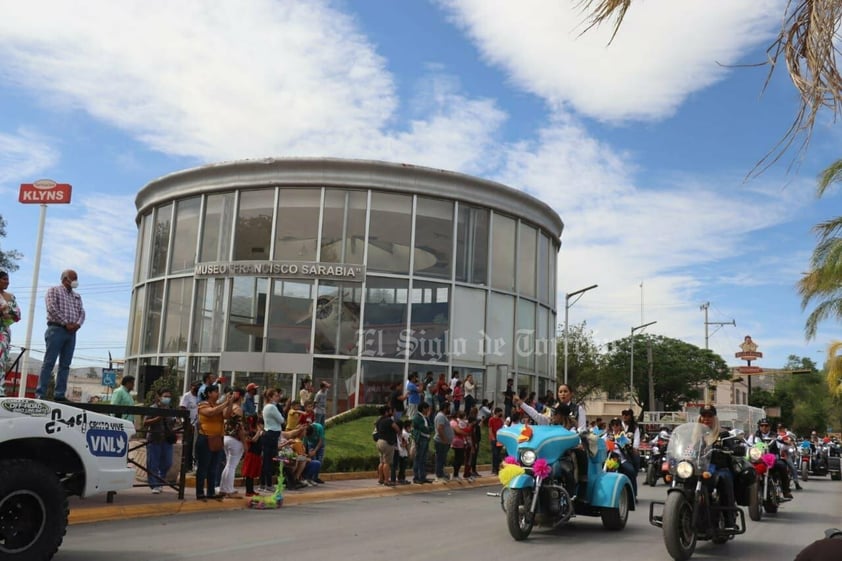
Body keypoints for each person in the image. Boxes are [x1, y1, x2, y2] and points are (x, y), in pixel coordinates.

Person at [35, 269, 85, 401]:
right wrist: (65, 323)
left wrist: (77, 325)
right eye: (73, 279)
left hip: (72, 333)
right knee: (49, 362)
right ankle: (41, 393)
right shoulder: (54, 290)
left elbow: (82, 312)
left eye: (76, 279)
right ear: (64, 279)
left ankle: (59, 394)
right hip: (56, 329)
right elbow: (51, 308)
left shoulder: (77, 296)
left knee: (65, 365)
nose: (75, 282)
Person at [697, 405, 738, 529]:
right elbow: (687, 448)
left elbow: (731, 448)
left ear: (715, 418)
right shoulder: (695, 434)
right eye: (704, 416)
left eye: (709, 416)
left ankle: (729, 519)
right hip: (699, 467)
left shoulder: (723, 433)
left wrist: (728, 449)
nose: (706, 419)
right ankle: (670, 512)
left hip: (719, 467)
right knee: (680, 478)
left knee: (724, 479)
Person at [195, 384, 233, 500]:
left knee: (213, 467)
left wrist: (230, 403)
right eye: (215, 392)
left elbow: (227, 415)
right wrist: (225, 403)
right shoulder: (203, 405)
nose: (217, 394)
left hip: (217, 439)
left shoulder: (218, 405)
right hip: (206, 438)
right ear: (209, 393)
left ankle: (210, 492)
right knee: (203, 467)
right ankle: (200, 492)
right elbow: (210, 412)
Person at [749, 418, 793, 498]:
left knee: (782, 466)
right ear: (759, 426)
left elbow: (783, 441)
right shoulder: (754, 436)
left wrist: (787, 441)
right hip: (758, 459)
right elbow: (747, 445)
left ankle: (786, 491)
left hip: (772, 459)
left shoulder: (775, 435)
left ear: (769, 427)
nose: (764, 427)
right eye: (762, 425)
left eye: (766, 425)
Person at [143, 388, 176, 494]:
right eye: (165, 396)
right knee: (153, 463)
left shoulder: (170, 409)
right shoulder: (153, 408)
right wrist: (158, 418)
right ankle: (154, 485)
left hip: (167, 439)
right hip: (155, 438)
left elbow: (173, 423)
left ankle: (160, 481)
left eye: (169, 397)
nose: (167, 398)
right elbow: (145, 422)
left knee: (167, 462)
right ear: (159, 397)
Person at [219, 388, 246, 498]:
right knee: (232, 466)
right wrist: (245, 443)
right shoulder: (238, 409)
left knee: (228, 466)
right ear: (242, 398)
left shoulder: (228, 408)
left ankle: (223, 488)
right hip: (235, 440)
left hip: (226, 438)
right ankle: (229, 490)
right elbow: (240, 428)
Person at [0, 271, 21, 397]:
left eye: (8, 279)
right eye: (4, 279)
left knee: (1, 360)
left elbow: (17, 315)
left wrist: (8, 314)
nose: (7, 282)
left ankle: (0, 390)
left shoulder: (10, 297)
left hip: (3, 331)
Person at [260, 388, 285, 493]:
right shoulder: (272, 407)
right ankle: (268, 484)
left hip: (269, 434)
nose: (277, 397)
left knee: (266, 460)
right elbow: (281, 420)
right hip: (272, 434)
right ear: (270, 397)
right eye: (275, 396)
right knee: (268, 461)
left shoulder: (266, 407)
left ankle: (263, 483)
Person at [375, 405, 400, 486]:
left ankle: (380, 479)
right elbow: (397, 428)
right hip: (387, 442)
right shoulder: (388, 420)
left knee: (381, 462)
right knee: (387, 463)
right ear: (386, 412)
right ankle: (386, 480)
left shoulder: (378, 420)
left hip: (379, 441)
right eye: (389, 410)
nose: (391, 411)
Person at [179, 379, 201, 471]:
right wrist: (187, 423)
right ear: (191, 386)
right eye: (195, 386)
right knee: (188, 445)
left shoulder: (199, 397)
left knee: (196, 446)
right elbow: (182, 408)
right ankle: (186, 466)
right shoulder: (187, 396)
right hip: (189, 425)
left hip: (198, 424)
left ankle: (194, 464)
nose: (196, 388)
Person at [411, 401, 433, 484]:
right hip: (420, 439)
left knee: (424, 459)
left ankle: (423, 476)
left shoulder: (426, 417)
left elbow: (431, 427)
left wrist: (429, 429)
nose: (428, 410)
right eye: (427, 408)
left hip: (426, 439)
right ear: (423, 409)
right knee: (418, 458)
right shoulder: (417, 417)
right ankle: (416, 477)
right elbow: (422, 428)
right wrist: (428, 429)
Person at [433, 401, 454, 482]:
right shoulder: (441, 416)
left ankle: (441, 473)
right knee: (440, 458)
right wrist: (444, 439)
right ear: (445, 408)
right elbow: (440, 428)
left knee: (442, 459)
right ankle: (439, 476)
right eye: (448, 408)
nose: (449, 409)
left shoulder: (443, 416)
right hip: (441, 441)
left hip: (444, 442)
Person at [488, 407, 504, 475]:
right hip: (494, 439)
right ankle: (494, 469)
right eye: (500, 412)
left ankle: (497, 468)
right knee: (495, 454)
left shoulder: (500, 420)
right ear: (497, 412)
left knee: (498, 454)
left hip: (499, 439)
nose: (501, 414)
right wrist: (493, 438)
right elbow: (490, 430)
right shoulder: (491, 420)